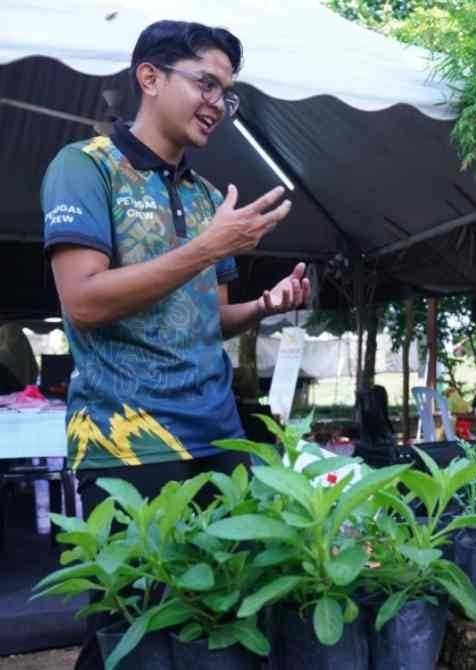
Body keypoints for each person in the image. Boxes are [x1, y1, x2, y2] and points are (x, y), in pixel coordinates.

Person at [41, 20, 309, 669]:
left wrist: (263, 307)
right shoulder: (85, 168)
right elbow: (83, 300)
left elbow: (205, 318)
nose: (219, 102)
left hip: (217, 437)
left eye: (229, 93)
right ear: (150, 76)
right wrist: (211, 246)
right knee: (132, 627)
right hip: (126, 442)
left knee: (219, 622)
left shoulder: (208, 196)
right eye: (207, 83)